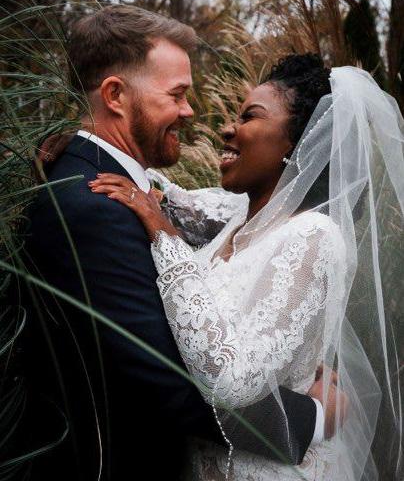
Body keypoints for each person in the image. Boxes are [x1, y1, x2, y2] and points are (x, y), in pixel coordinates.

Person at [19, 7, 337, 481]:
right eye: (177, 94)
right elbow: (164, 381)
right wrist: (312, 418)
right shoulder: (96, 205)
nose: (191, 111)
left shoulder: (125, 191)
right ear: (115, 96)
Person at [89, 54, 404, 480]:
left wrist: (164, 236)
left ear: (297, 142)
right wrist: (83, 147)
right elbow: (156, 192)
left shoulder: (313, 237)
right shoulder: (237, 216)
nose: (227, 128)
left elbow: (233, 383)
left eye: (249, 117)